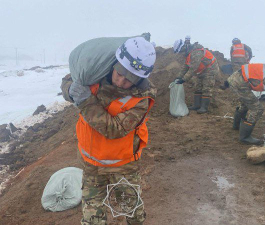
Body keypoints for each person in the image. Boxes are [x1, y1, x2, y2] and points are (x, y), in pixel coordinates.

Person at [62, 37, 157, 225]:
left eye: (129, 80)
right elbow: (68, 80)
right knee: (92, 219)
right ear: (115, 63)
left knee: (132, 213)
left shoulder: (141, 100)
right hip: (91, 164)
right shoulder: (94, 73)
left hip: (123, 166)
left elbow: (113, 129)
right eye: (119, 73)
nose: (120, 81)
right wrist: (71, 90)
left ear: (139, 80)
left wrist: (85, 102)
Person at [174, 41, 219, 114]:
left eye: (181, 51)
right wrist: (178, 77)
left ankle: (204, 107)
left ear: (184, 47)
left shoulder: (196, 53)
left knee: (206, 88)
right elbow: (185, 67)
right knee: (198, 86)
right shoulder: (189, 54)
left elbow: (193, 68)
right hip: (202, 70)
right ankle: (196, 105)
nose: (181, 53)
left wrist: (183, 79)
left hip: (210, 69)